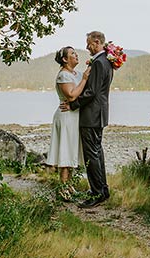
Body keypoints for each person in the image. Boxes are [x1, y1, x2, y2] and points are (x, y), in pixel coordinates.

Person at [63, 31, 113, 208]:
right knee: (97, 153)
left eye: (89, 43)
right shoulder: (105, 61)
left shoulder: (99, 62)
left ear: (97, 42)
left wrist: (73, 105)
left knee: (91, 155)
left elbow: (91, 92)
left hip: (91, 115)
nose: (86, 47)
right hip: (98, 114)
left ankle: (97, 193)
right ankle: (102, 190)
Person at [45, 46, 91, 200]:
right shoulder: (63, 76)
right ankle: (62, 189)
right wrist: (84, 79)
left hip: (74, 116)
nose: (76, 55)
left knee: (71, 152)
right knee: (65, 153)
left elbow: (83, 92)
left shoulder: (76, 74)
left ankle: (69, 187)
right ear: (65, 59)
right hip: (65, 117)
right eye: (72, 53)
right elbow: (71, 96)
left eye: (75, 53)